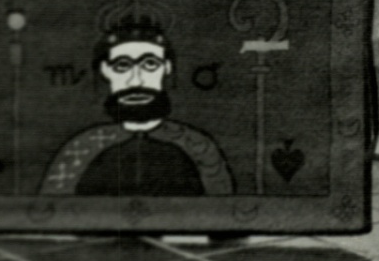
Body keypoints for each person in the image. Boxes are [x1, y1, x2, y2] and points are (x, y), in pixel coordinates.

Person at [41, 14, 234, 196]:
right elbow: (51, 212)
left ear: (167, 67)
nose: (136, 80)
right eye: (122, 66)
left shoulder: (197, 147)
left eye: (149, 64)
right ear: (105, 70)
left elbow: (224, 213)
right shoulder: (81, 149)